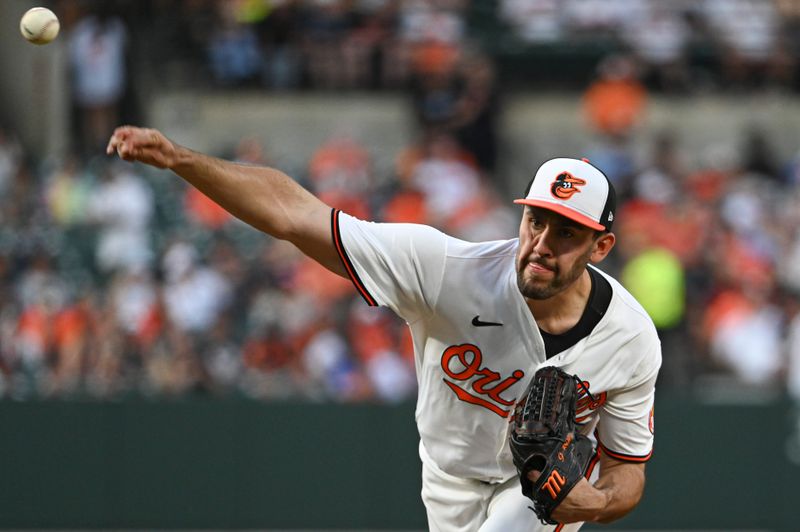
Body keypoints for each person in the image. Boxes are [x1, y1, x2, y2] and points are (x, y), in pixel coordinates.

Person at [106, 126, 661, 532]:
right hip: (447, 475)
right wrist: (183, 160)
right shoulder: (449, 271)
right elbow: (293, 214)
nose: (541, 244)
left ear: (601, 246)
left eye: (566, 233)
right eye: (536, 221)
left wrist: (589, 503)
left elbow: (627, 471)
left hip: (537, 492)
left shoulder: (630, 338)